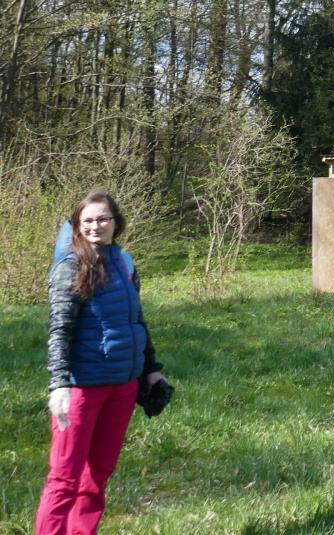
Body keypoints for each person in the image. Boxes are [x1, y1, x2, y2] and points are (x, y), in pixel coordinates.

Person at [36, 190, 166, 535]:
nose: (96, 225)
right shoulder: (71, 266)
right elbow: (60, 329)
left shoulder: (124, 262)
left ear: (116, 222)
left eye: (103, 218)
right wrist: (59, 384)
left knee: (98, 475)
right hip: (81, 389)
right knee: (65, 479)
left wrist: (151, 370)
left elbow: (136, 319)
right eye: (88, 220)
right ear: (78, 226)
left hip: (122, 387)